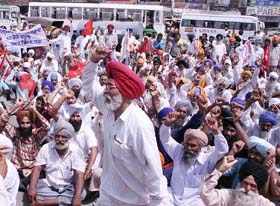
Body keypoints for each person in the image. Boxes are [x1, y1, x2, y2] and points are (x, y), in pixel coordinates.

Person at [82, 46, 170, 205]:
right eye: (106, 86)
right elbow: (88, 85)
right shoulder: (109, 108)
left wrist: (161, 202)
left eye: (111, 87)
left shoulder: (140, 124)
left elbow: (154, 170)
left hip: (133, 201)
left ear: (125, 91)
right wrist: (94, 60)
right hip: (107, 195)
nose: (106, 91)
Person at [160, 113, 229, 205]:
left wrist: (216, 132)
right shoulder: (179, 151)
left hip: (194, 199)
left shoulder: (207, 159)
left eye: (193, 146)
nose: (188, 148)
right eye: (187, 144)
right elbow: (166, 139)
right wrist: (167, 124)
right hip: (173, 195)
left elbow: (223, 150)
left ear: (201, 147)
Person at [28, 117, 86, 206]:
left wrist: (77, 197)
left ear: (69, 138)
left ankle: (43, 203)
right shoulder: (46, 148)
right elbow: (37, 169)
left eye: (64, 137)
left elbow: (79, 175)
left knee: (81, 194)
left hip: (67, 187)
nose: (60, 139)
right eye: (57, 136)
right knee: (30, 187)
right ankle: (62, 201)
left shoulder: (76, 151)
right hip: (49, 186)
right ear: (54, 136)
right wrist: (32, 188)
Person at [200, 156, 275, 206]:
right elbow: (205, 194)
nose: (247, 188)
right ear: (240, 181)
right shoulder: (228, 196)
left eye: (253, 185)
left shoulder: (262, 203)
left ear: (258, 188)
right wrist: (219, 171)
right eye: (245, 183)